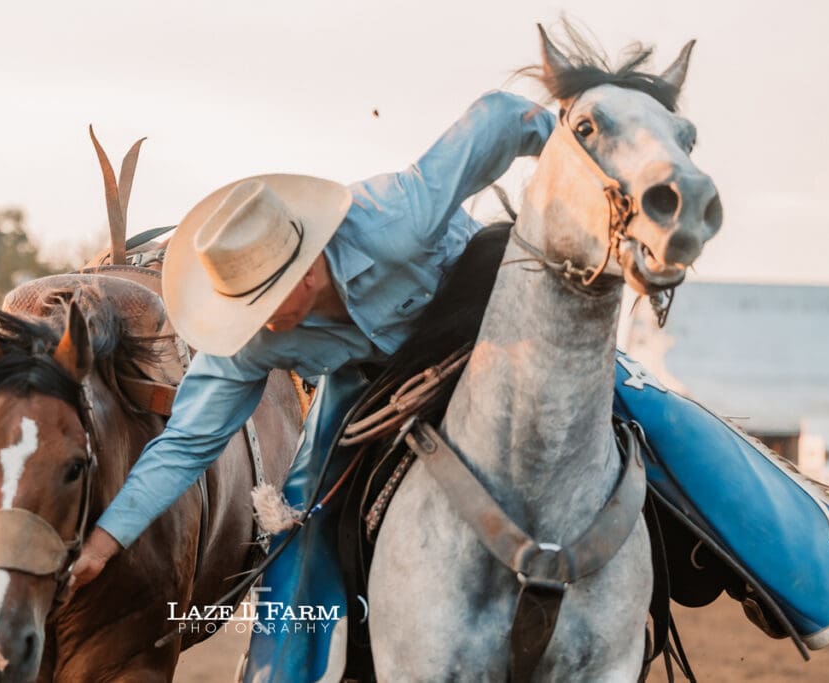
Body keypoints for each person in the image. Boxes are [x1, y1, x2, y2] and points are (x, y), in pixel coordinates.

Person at [68, 90, 555, 589]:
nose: (250, 321)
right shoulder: (247, 342)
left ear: (303, 274)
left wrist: (578, 160)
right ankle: (283, 664)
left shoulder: (396, 219)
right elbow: (186, 443)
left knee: (626, 401)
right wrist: (104, 543)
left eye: (260, 304)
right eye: (239, 307)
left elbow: (499, 116)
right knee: (298, 530)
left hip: (489, 313)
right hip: (369, 380)